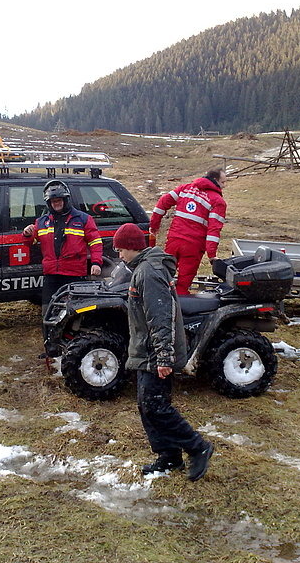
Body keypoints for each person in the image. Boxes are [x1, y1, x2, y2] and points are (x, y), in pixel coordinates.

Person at [112, 223, 214, 481]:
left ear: (132, 247)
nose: (119, 255)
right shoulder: (143, 269)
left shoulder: (149, 272)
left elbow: (161, 318)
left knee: (156, 406)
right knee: (147, 406)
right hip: (147, 350)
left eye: (120, 249)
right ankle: (169, 456)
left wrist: (164, 357)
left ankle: (198, 447)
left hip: (155, 353)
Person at [23, 180, 103, 311]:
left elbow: (95, 242)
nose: (57, 203)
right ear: (48, 203)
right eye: (53, 201)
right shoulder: (42, 222)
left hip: (74, 274)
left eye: (59, 200)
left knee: (76, 311)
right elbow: (29, 243)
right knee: (48, 311)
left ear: (66, 200)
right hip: (51, 275)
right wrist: (27, 234)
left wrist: (96, 263)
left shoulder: (83, 219)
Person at [149, 167, 227, 295]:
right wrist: (212, 255)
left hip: (174, 240)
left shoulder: (185, 189)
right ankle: (180, 304)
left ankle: (158, 298)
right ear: (215, 180)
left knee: (164, 276)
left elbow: (163, 202)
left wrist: (154, 225)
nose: (224, 186)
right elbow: (214, 230)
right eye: (223, 182)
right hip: (193, 247)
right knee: (183, 283)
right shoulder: (218, 201)